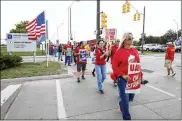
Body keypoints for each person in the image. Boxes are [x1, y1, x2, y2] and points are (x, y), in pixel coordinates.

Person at [111, 32, 142, 120]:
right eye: (129, 38)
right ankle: (126, 117)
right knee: (125, 98)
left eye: (132, 38)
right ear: (124, 40)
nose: (131, 40)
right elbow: (114, 66)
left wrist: (140, 76)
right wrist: (122, 75)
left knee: (131, 97)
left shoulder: (135, 50)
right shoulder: (119, 52)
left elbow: (138, 63)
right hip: (122, 78)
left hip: (133, 78)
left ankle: (121, 104)